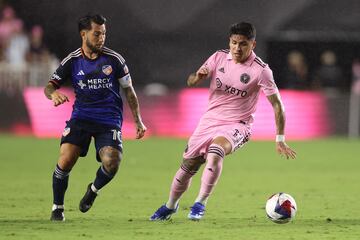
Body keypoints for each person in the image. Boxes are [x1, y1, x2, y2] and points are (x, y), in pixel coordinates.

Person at [150, 22, 296, 221]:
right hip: (209, 121)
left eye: (243, 44)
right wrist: (194, 79)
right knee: (188, 166)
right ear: (229, 41)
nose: (237, 48)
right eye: (234, 43)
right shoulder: (219, 57)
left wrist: (280, 138)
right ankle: (170, 206)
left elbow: (277, 105)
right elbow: (195, 77)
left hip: (238, 124)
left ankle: (200, 203)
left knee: (215, 152)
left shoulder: (261, 70)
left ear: (253, 44)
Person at [44, 14, 146, 221]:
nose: (101, 38)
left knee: (112, 162)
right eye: (97, 34)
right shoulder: (72, 61)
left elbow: (129, 90)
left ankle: (93, 190)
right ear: (84, 34)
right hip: (81, 117)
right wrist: (53, 94)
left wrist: (138, 120)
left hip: (108, 119)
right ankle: (57, 207)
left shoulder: (114, 60)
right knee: (65, 159)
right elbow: (49, 86)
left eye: (104, 34)